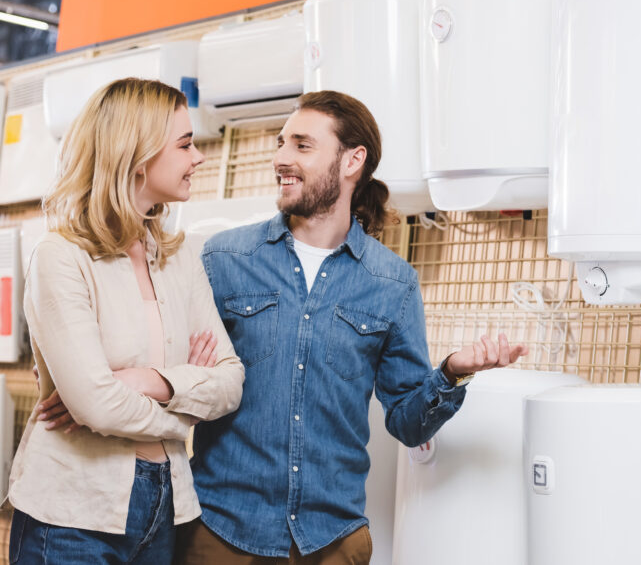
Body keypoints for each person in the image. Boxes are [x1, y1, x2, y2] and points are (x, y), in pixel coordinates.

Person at [175, 91, 527, 564]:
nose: (280, 158)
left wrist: (451, 373)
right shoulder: (224, 259)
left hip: (331, 541)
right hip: (221, 535)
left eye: (301, 145)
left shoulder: (392, 282)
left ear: (352, 160)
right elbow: (180, 373)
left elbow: (406, 421)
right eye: (282, 143)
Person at [7, 78, 246, 564]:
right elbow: (97, 405)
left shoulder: (177, 259)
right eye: (185, 144)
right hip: (74, 514)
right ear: (138, 156)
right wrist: (184, 410)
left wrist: (150, 381)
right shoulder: (61, 256)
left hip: (166, 506)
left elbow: (230, 382)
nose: (198, 157)